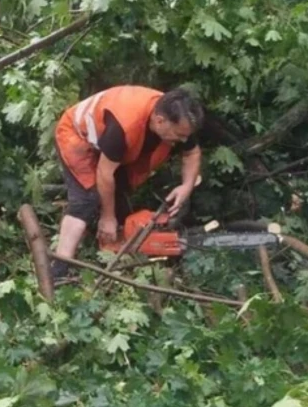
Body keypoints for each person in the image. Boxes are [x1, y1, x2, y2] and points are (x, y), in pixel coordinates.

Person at [51, 85, 204, 280]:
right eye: (179, 135)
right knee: (87, 199)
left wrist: (186, 186)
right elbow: (105, 174)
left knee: (120, 195)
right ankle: (59, 268)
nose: (183, 140)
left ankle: (105, 243)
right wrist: (108, 217)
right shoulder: (124, 125)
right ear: (160, 121)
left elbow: (191, 153)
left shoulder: (180, 119)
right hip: (77, 136)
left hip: (114, 147)